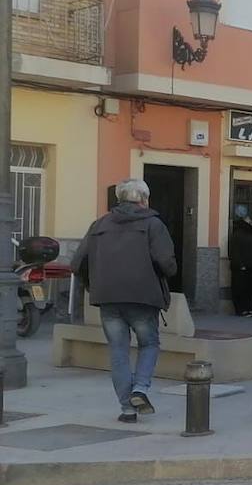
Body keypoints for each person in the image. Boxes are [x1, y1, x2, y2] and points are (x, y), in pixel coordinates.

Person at [72, 178, 177, 423]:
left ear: (119, 199)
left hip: (107, 298)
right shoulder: (153, 224)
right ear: (144, 199)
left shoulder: (98, 224)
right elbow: (167, 264)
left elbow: (77, 263)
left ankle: (127, 410)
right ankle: (140, 389)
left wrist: (95, 283)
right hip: (143, 296)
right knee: (149, 343)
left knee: (118, 351)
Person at [228, 206, 252, 317]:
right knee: (241, 289)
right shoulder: (239, 234)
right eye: (248, 220)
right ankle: (241, 310)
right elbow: (235, 251)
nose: (251, 221)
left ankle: (249, 308)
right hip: (243, 268)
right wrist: (241, 265)